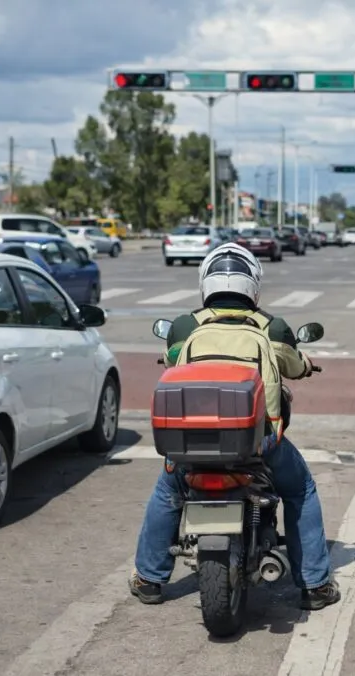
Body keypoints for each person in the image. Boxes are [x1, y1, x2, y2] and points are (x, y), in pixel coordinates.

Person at [129, 243, 341, 611]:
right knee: (301, 489)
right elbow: (293, 365)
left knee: (168, 491)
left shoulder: (185, 325)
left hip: (192, 444)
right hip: (258, 444)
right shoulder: (272, 327)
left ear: (206, 282)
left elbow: (174, 359)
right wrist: (305, 364)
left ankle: (149, 578)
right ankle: (315, 585)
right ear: (253, 285)